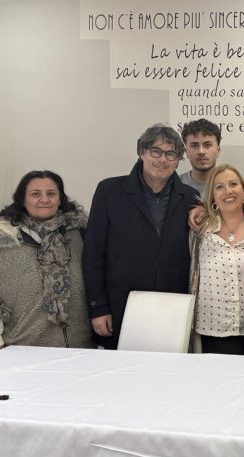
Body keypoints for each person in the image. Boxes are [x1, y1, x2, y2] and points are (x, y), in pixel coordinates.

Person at [0, 170, 91, 457]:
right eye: (35, 193)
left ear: (60, 198)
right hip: (22, 343)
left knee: (65, 409)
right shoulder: (0, 241)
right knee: (23, 411)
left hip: (75, 341)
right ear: (22, 198)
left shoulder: (78, 234)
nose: (44, 199)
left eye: (51, 193)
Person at [83, 124, 199, 350]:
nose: (163, 159)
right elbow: (93, 254)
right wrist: (98, 308)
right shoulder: (109, 191)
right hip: (120, 306)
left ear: (178, 160)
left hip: (172, 307)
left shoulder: (189, 198)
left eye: (171, 154)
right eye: (156, 151)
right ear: (142, 152)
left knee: (169, 369)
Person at [189, 164, 244, 356]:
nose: (228, 191)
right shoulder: (199, 231)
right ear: (212, 196)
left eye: (233, 184)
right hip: (214, 327)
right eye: (219, 187)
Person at [179, 119, 222, 193]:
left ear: (218, 151)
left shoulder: (232, 185)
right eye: (194, 145)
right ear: (186, 152)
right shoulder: (174, 185)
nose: (201, 151)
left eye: (207, 145)